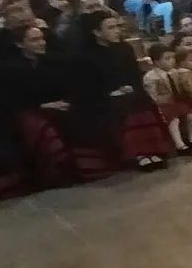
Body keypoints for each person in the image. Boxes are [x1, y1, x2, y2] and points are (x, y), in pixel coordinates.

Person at [71, 12, 170, 175]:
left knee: (140, 100)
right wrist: (110, 92)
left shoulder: (124, 48)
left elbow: (134, 75)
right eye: (111, 27)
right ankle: (138, 153)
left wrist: (129, 87)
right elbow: (84, 86)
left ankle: (152, 149)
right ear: (96, 32)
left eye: (117, 26)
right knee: (123, 105)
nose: (117, 31)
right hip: (99, 98)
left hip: (127, 92)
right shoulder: (83, 55)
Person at [1, 25, 76, 190]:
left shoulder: (53, 62)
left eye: (42, 38)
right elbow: (11, 100)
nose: (42, 43)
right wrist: (42, 105)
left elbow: (64, 88)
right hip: (23, 112)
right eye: (35, 40)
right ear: (21, 44)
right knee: (40, 128)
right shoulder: (10, 69)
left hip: (56, 106)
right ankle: (52, 175)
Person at [144, 44, 192, 155]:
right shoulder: (151, 77)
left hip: (176, 102)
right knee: (173, 120)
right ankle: (179, 144)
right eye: (167, 58)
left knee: (191, 115)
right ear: (156, 61)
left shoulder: (175, 72)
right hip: (163, 105)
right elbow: (152, 96)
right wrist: (160, 99)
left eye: (172, 58)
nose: (171, 61)